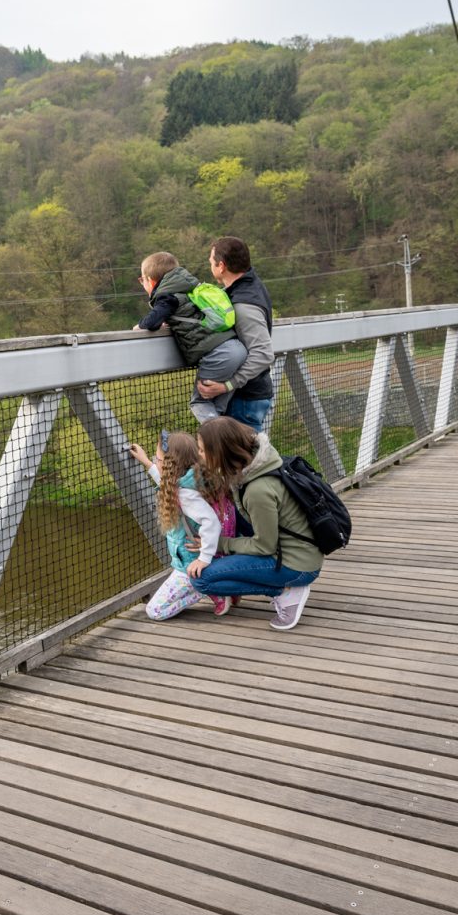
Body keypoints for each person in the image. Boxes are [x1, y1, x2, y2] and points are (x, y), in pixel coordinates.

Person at [189, 416, 321, 630]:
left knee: (202, 579)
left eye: (203, 451)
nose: (199, 455)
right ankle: (283, 585)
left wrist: (218, 544)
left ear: (221, 453)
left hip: (297, 565)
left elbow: (264, 546)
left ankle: (284, 590)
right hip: (297, 552)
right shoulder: (259, 464)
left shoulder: (258, 490)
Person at [127, 430, 238, 619]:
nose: (156, 461)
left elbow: (211, 522)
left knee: (155, 611)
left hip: (190, 566)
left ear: (170, 465)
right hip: (193, 559)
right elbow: (168, 484)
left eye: (158, 459)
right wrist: (147, 463)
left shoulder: (186, 494)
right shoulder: (195, 479)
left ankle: (208, 587)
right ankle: (217, 586)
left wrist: (203, 558)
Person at [134, 251, 249, 422]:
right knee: (217, 409)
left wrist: (140, 326)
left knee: (200, 403)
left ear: (151, 281)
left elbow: (153, 320)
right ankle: (232, 444)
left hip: (219, 354)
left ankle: (221, 445)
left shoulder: (167, 295)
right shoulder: (189, 288)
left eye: (142, 280)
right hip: (236, 348)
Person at [195, 237, 274, 431]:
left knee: (246, 461)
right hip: (249, 396)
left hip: (245, 400)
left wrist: (227, 386)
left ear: (221, 266)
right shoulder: (248, 287)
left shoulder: (244, 304)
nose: (209, 264)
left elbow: (263, 354)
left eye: (211, 260)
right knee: (249, 458)